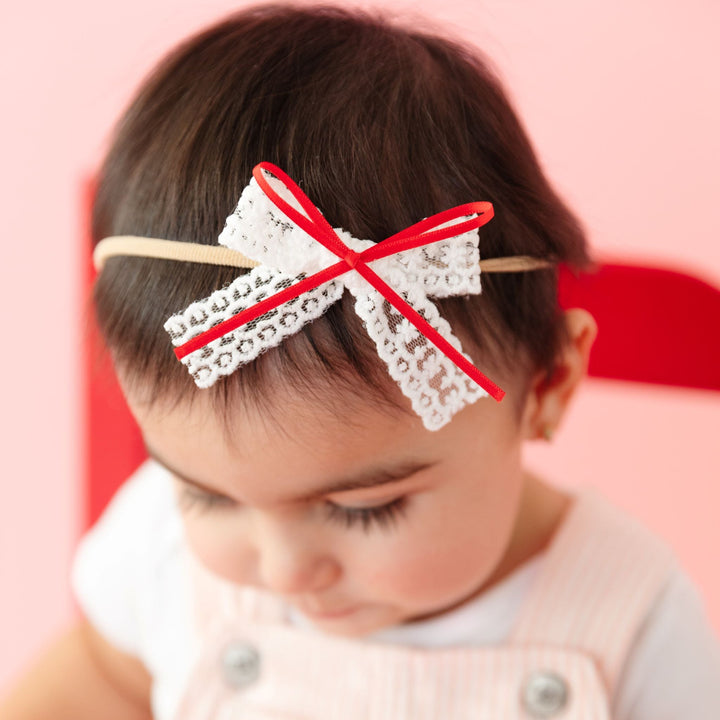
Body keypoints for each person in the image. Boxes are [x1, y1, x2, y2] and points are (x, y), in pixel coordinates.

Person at [2, 4, 719, 719]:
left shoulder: (631, 621)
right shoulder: (158, 544)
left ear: (549, 383)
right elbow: (103, 677)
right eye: (209, 497)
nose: (285, 574)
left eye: (364, 511)